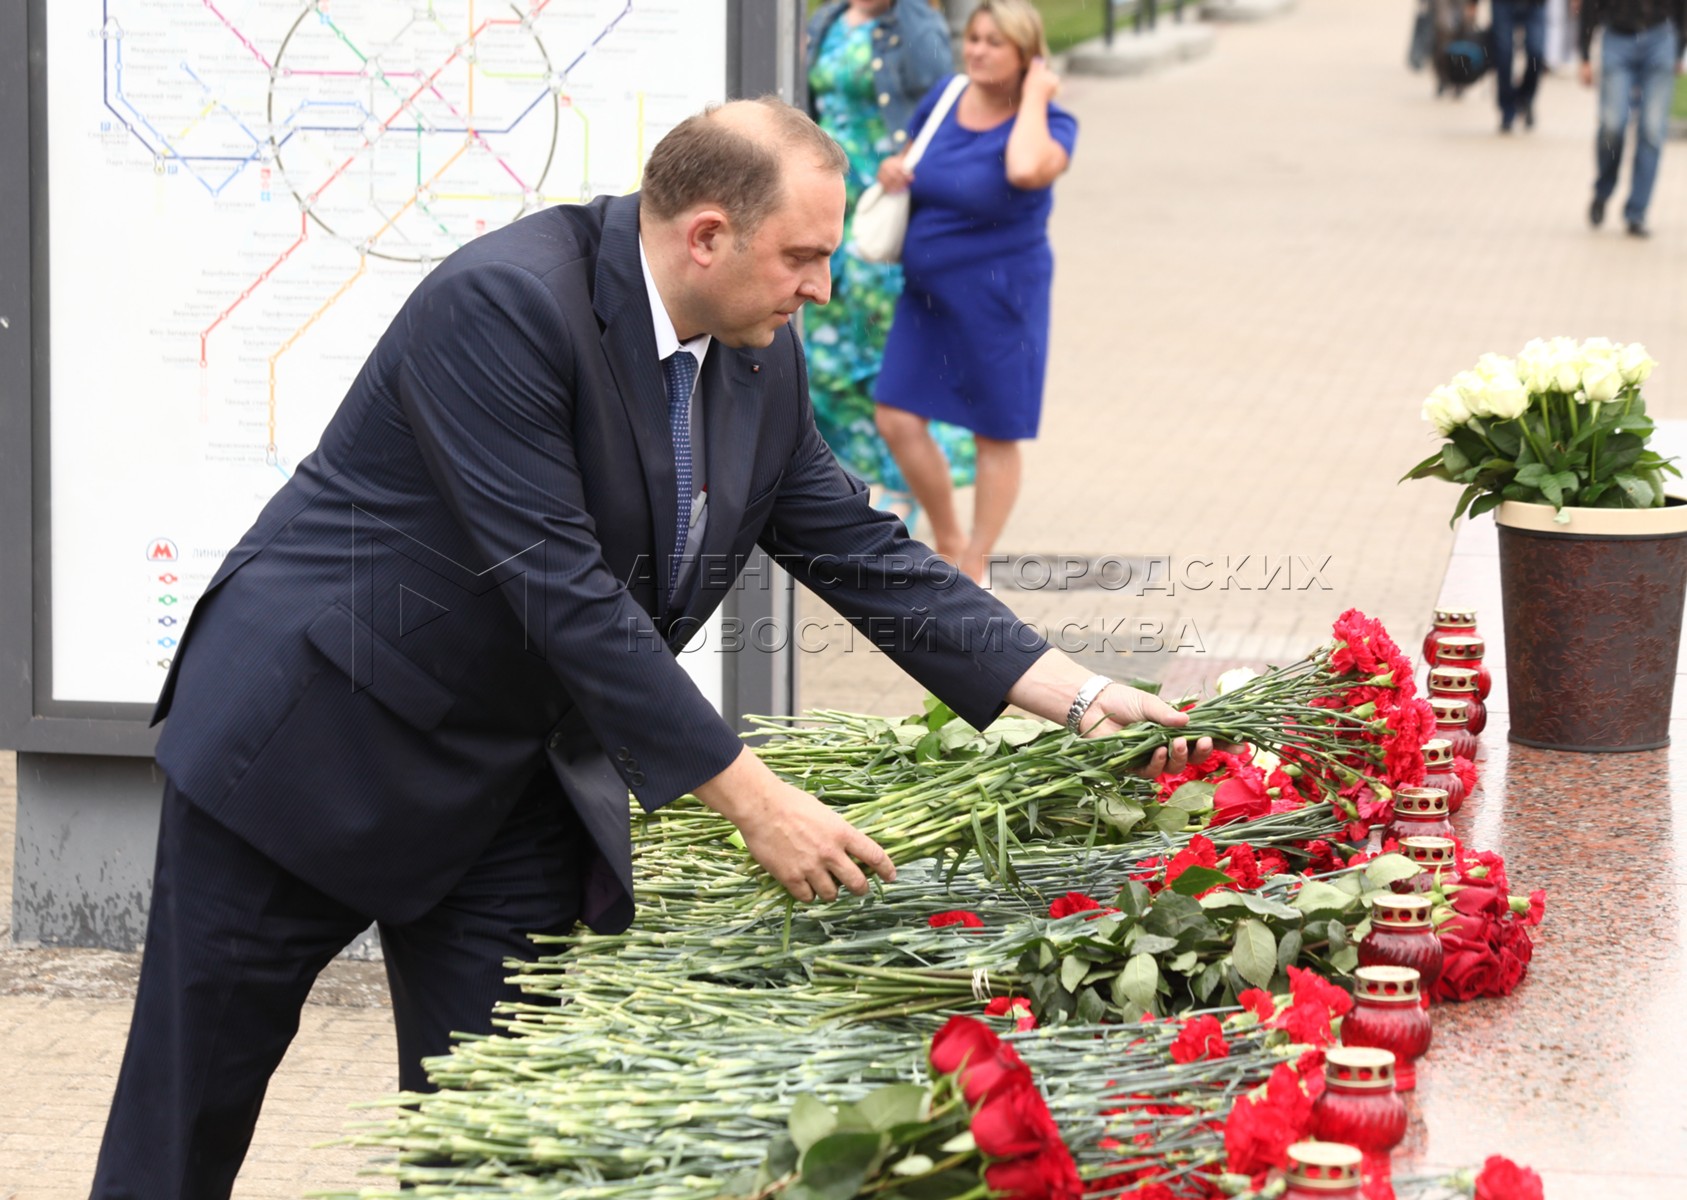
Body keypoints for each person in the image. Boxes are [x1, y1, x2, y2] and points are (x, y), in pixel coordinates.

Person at [89, 98, 1205, 1198]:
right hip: (313, 747)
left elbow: (856, 547)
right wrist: (757, 802)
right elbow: (564, 594)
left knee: (508, 1135)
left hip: (507, 783)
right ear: (705, 234)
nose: (823, 287)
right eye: (802, 257)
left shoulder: (759, 349)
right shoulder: (505, 302)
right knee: (187, 1119)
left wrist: (1075, 693)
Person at [872, 0, 1076, 586]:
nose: (978, 50)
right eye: (975, 37)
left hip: (1000, 298)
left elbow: (1022, 169)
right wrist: (891, 169)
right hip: (926, 295)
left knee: (995, 428)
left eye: (995, 42)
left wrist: (1034, 96)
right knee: (896, 417)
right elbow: (913, 165)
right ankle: (949, 535)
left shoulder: (1054, 125)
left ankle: (977, 562)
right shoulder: (944, 97)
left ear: (1027, 56)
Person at [803, 0, 977, 528]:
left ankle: (908, 484)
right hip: (830, 206)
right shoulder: (827, 21)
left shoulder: (915, 23)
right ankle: (868, 474)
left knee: (884, 353)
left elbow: (948, 113)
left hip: (887, 213)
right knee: (824, 364)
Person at [1580, 0, 1686, 236]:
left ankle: (1636, 212)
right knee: (1612, 125)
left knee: (1651, 129)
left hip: (1660, 38)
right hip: (1617, 39)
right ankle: (1603, 189)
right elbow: (1590, 6)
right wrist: (1584, 55)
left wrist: (1680, 49)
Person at [1492, 0, 1547, 130]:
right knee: (1503, 54)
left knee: (1536, 52)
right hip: (1502, 4)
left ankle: (1525, 98)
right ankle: (1507, 108)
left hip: (1535, 4)